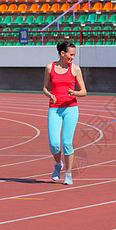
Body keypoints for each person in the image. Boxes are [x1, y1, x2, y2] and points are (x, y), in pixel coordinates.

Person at [43, 41, 87, 185]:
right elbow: (44, 88)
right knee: (54, 144)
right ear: (63, 53)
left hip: (71, 109)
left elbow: (84, 92)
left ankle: (68, 173)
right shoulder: (50, 67)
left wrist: (74, 92)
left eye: (74, 55)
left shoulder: (75, 69)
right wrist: (50, 95)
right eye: (71, 54)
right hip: (54, 109)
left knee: (67, 142)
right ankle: (58, 164)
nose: (73, 57)